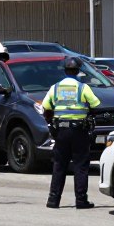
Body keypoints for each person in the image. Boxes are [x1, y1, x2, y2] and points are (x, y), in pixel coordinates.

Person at [41, 57, 100, 209]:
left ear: (65, 71)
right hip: (79, 131)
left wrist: (52, 122)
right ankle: (81, 200)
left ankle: (53, 200)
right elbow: (96, 105)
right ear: (78, 71)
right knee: (80, 165)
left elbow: (46, 107)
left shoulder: (55, 88)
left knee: (59, 165)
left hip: (60, 131)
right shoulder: (83, 88)